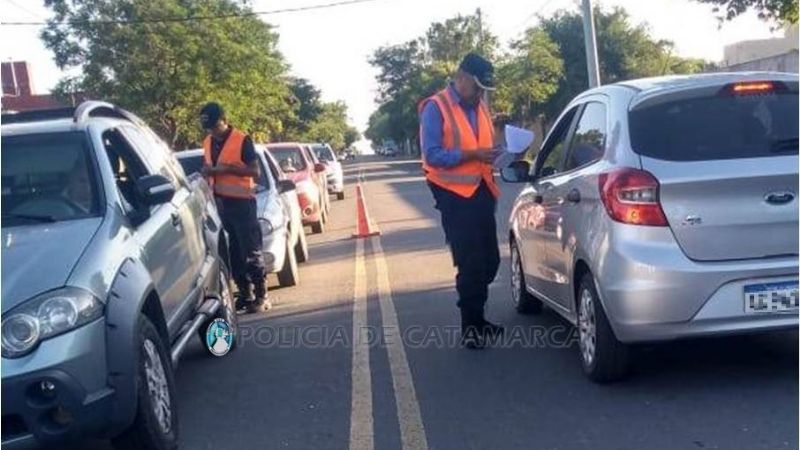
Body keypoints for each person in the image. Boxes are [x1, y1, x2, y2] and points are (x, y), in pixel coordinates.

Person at [418, 53, 503, 349]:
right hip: (452, 196)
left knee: (491, 260)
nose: (480, 94)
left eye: (483, 90)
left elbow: (483, 146)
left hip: (481, 191)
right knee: (471, 262)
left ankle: (478, 319)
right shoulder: (435, 107)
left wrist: (501, 154)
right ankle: (471, 327)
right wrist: (472, 155)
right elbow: (432, 155)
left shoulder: (479, 107)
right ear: (462, 78)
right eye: (477, 87)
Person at [199, 102, 269, 314]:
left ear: (223, 120)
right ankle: (245, 293)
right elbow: (209, 167)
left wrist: (228, 169)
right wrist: (208, 172)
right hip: (221, 205)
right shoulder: (208, 142)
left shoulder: (241, 139)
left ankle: (261, 294)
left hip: (242, 204)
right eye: (208, 128)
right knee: (234, 253)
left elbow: (255, 172)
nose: (212, 131)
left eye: (214, 126)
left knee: (251, 251)